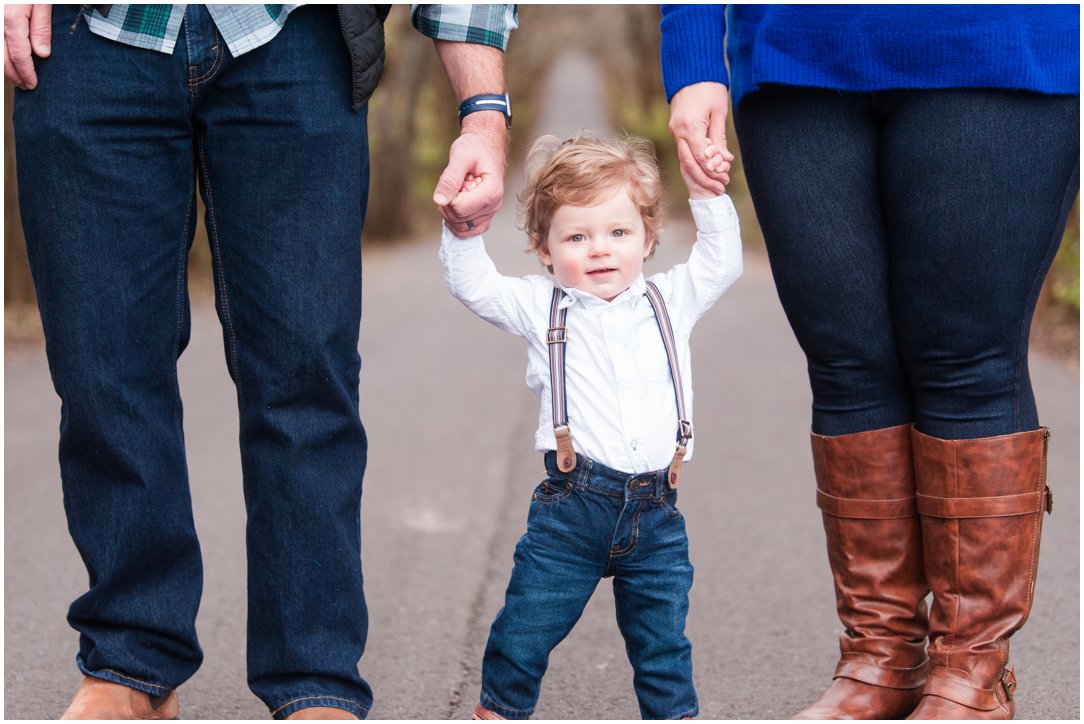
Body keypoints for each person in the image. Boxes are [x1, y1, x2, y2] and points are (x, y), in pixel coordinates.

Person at [7, 3, 516, 719]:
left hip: (295, 35)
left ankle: (315, 676)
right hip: (86, 39)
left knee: (305, 372)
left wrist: (483, 108)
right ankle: (130, 662)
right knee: (102, 365)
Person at [660, 4, 1079, 720]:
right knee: (847, 365)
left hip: (996, 41)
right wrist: (693, 56)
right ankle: (878, 658)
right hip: (792, 51)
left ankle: (969, 676)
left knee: (967, 360)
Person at [440, 132, 742, 720]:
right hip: (571, 512)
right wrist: (464, 230)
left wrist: (708, 194)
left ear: (648, 237)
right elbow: (473, 286)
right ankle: (499, 709)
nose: (600, 249)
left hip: (657, 513)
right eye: (577, 237)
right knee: (526, 626)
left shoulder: (669, 299)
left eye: (618, 233)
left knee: (663, 645)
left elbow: (721, 260)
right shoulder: (541, 305)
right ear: (544, 247)